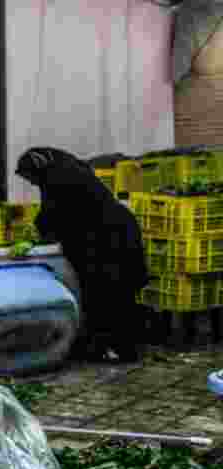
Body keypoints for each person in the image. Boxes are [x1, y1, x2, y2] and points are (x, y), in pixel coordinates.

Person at [15, 147, 149, 363]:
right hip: (115, 231)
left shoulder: (58, 177)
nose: (31, 183)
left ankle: (120, 350)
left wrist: (34, 236)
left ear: (37, 169)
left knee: (108, 294)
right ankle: (113, 347)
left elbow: (52, 213)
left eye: (30, 178)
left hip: (110, 238)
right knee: (112, 294)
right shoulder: (64, 167)